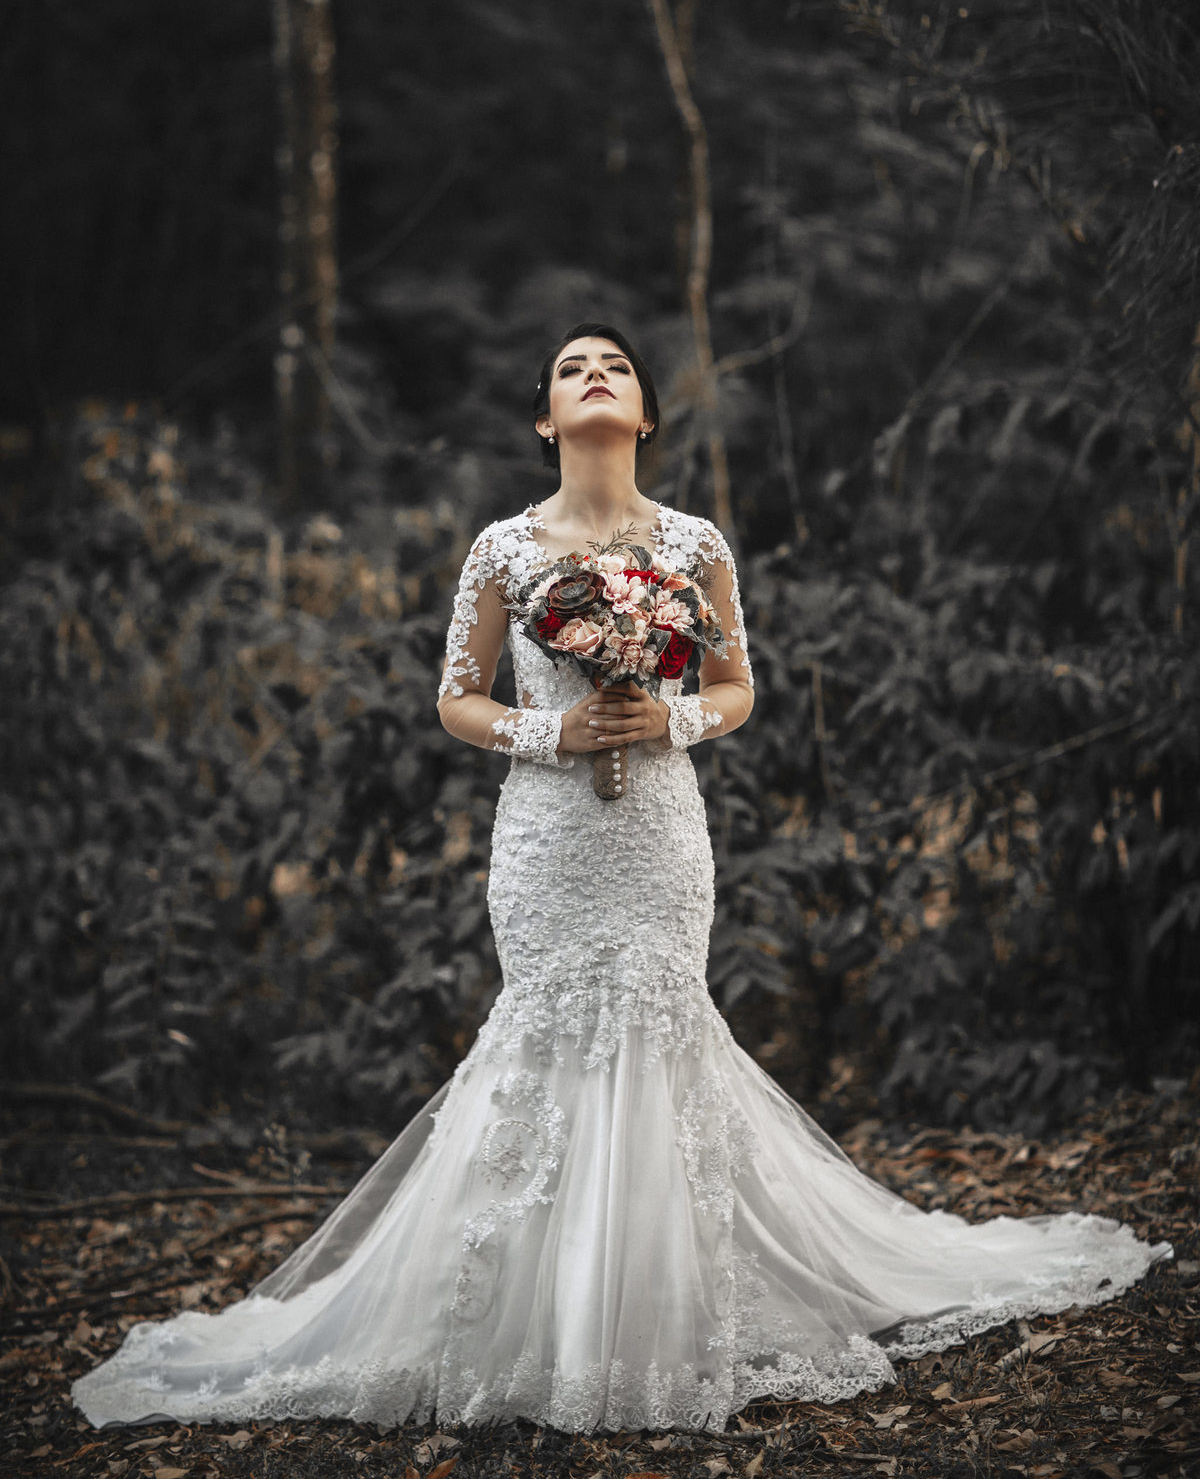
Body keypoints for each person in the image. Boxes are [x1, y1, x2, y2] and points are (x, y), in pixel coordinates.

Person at [73, 321, 1173, 1435]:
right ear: (545, 419)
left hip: (658, 828)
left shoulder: (695, 546)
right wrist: (555, 732)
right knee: (548, 1037)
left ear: (645, 414)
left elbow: (741, 686)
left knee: (660, 1030)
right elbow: (455, 698)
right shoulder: (501, 546)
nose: (594, 375)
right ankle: (533, 1321)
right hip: (549, 837)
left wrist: (668, 715)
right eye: (569, 369)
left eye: (617, 366)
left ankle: (647, 1312)